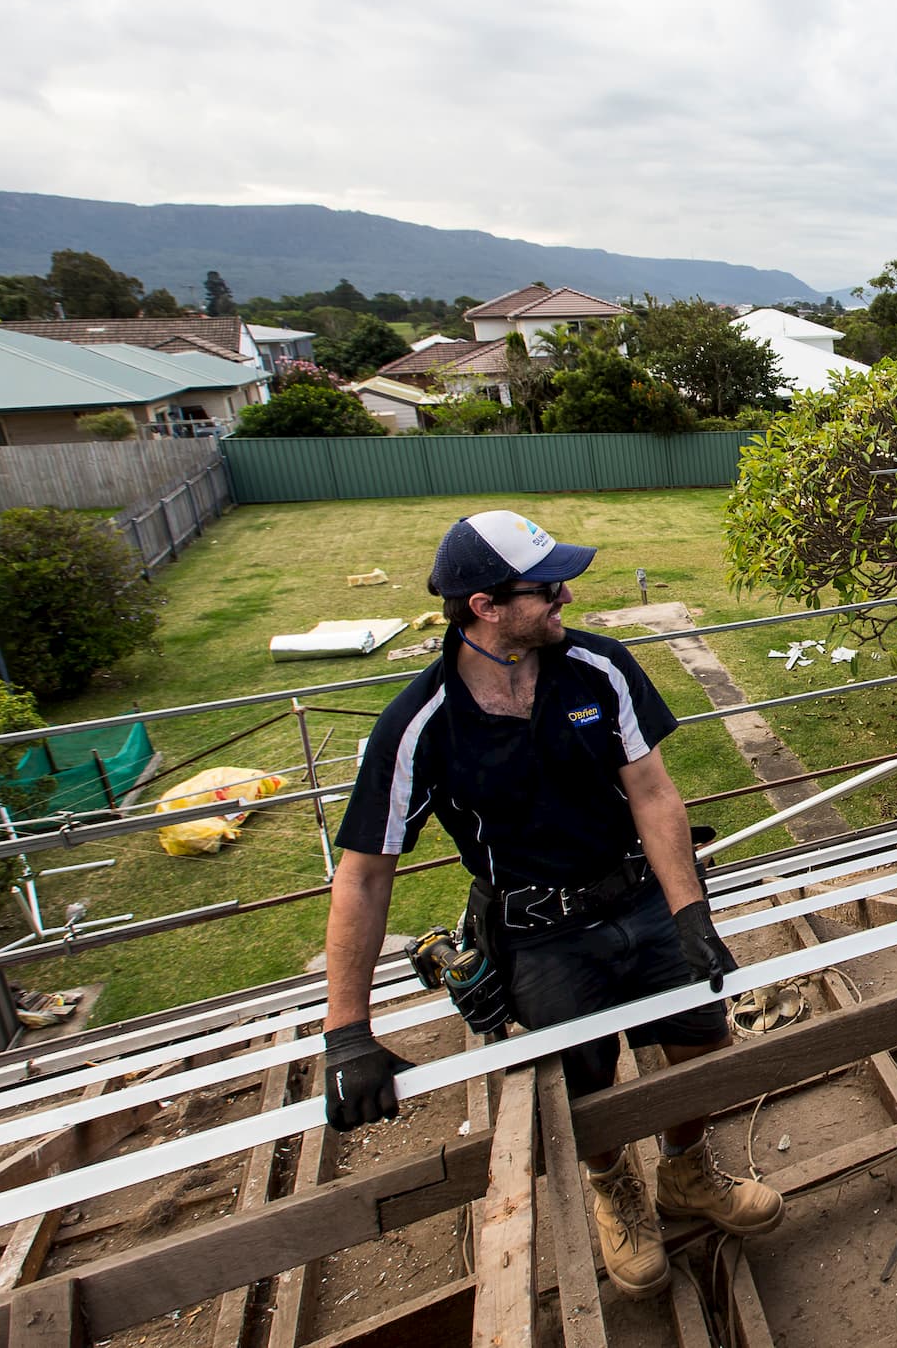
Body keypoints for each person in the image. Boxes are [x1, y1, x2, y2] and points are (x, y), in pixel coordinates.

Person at [319, 509, 781, 1300]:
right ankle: (618, 1190)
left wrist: (689, 913)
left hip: (636, 899)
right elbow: (363, 877)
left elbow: (653, 791)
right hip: (540, 937)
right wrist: (348, 1036)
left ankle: (683, 1172)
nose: (566, 593)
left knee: (702, 1045)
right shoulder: (419, 727)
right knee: (584, 1083)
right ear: (485, 607)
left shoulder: (597, 668)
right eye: (545, 587)